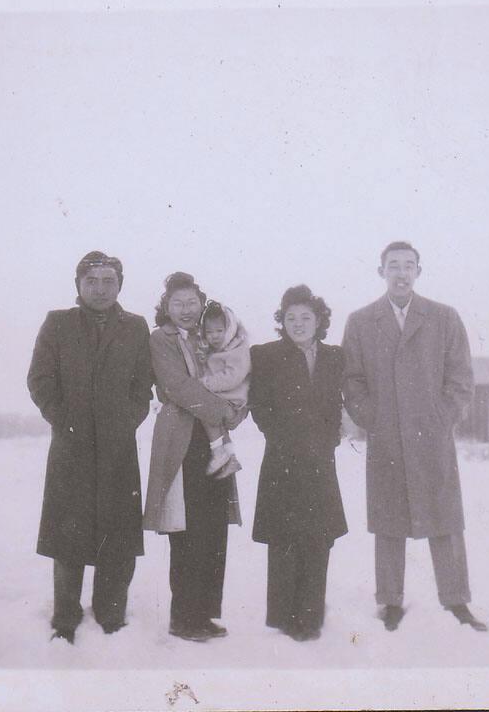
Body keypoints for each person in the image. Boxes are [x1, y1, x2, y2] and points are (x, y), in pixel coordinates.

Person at [341, 241, 487, 632]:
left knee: (444, 518)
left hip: (432, 437)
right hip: (386, 437)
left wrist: (441, 418)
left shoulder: (444, 318)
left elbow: (460, 379)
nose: (401, 273)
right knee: (389, 521)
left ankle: (457, 601)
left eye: (409, 266)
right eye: (393, 266)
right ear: (381, 272)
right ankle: (389, 602)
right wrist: (374, 418)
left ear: (419, 272)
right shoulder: (360, 321)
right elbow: (352, 382)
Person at [27, 250, 153, 643]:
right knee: (69, 533)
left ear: (120, 285)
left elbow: (142, 386)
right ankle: (65, 616)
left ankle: (111, 612)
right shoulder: (58, 323)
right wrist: (64, 420)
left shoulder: (135, 327)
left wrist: (126, 420)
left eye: (109, 281)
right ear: (78, 285)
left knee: (117, 532)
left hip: (118, 449)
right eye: (92, 281)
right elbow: (40, 380)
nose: (100, 289)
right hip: (71, 446)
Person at [142, 272, 245, 642]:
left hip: (214, 439)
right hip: (181, 439)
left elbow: (235, 374)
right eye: (177, 303)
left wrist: (239, 407)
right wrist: (222, 411)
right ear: (166, 307)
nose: (186, 310)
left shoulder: (211, 336)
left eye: (192, 303)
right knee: (186, 529)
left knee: (214, 526)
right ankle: (183, 617)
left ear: (202, 305)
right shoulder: (160, 340)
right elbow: (178, 387)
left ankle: (205, 614)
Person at [249, 285, 348, 642]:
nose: (298, 323)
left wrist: (328, 440)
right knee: (284, 537)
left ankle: (311, 618)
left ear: (319, 320)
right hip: (282, 459)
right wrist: (284, 440)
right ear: (282, 321)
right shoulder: (265, 355)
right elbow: (259, 407)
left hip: (321, 459)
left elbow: (336, 405)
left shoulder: (335, 356)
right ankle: (282, 619)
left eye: (305, 317)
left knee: (318, 537)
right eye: (290, 318)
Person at [197, 300, 250, 479]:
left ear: (230, 329)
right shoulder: (214, 349)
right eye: (209, 332)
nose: (215, 336)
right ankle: (231, 456)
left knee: (207, 412)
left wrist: (205, 383)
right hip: (223, 395)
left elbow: (233, 377)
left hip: (232, 396)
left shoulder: (237, 349)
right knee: (215, 419)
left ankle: (218, 451)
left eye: (219, 331)